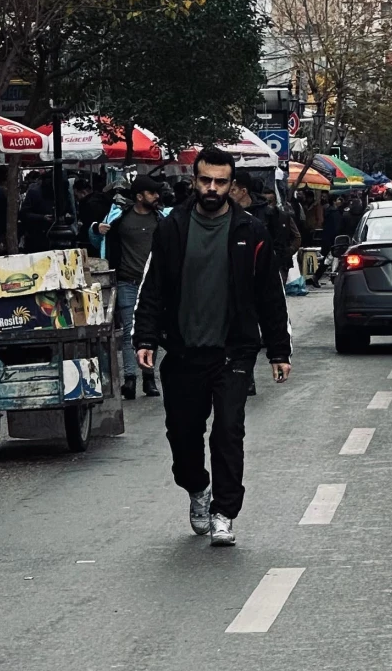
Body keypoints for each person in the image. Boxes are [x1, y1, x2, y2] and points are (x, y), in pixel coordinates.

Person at [133, 144, 290, 547]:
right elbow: (153, 287)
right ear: (194, 180)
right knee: (182, 436)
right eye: (205, 179)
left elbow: (270, 294)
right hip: (183, 352)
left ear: (231, 185)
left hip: (232, 353)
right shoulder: (173, 228)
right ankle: (197, 487)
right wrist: (146, 337)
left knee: (228, 432)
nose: (212, 188)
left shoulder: (251, 231)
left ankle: (224, 512)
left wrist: (278, 350)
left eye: (221, 182)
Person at [104, 173, 165, 398]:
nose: (157, 196)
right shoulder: (120, 220)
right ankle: (130, 379)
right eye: (152, 192)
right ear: (140, 196)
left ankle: (148, 378)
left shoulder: (161, 221)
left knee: (151, 331)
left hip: (152, 285)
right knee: (130, 331)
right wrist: (95, 229)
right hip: (127, 282)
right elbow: (101, 238)